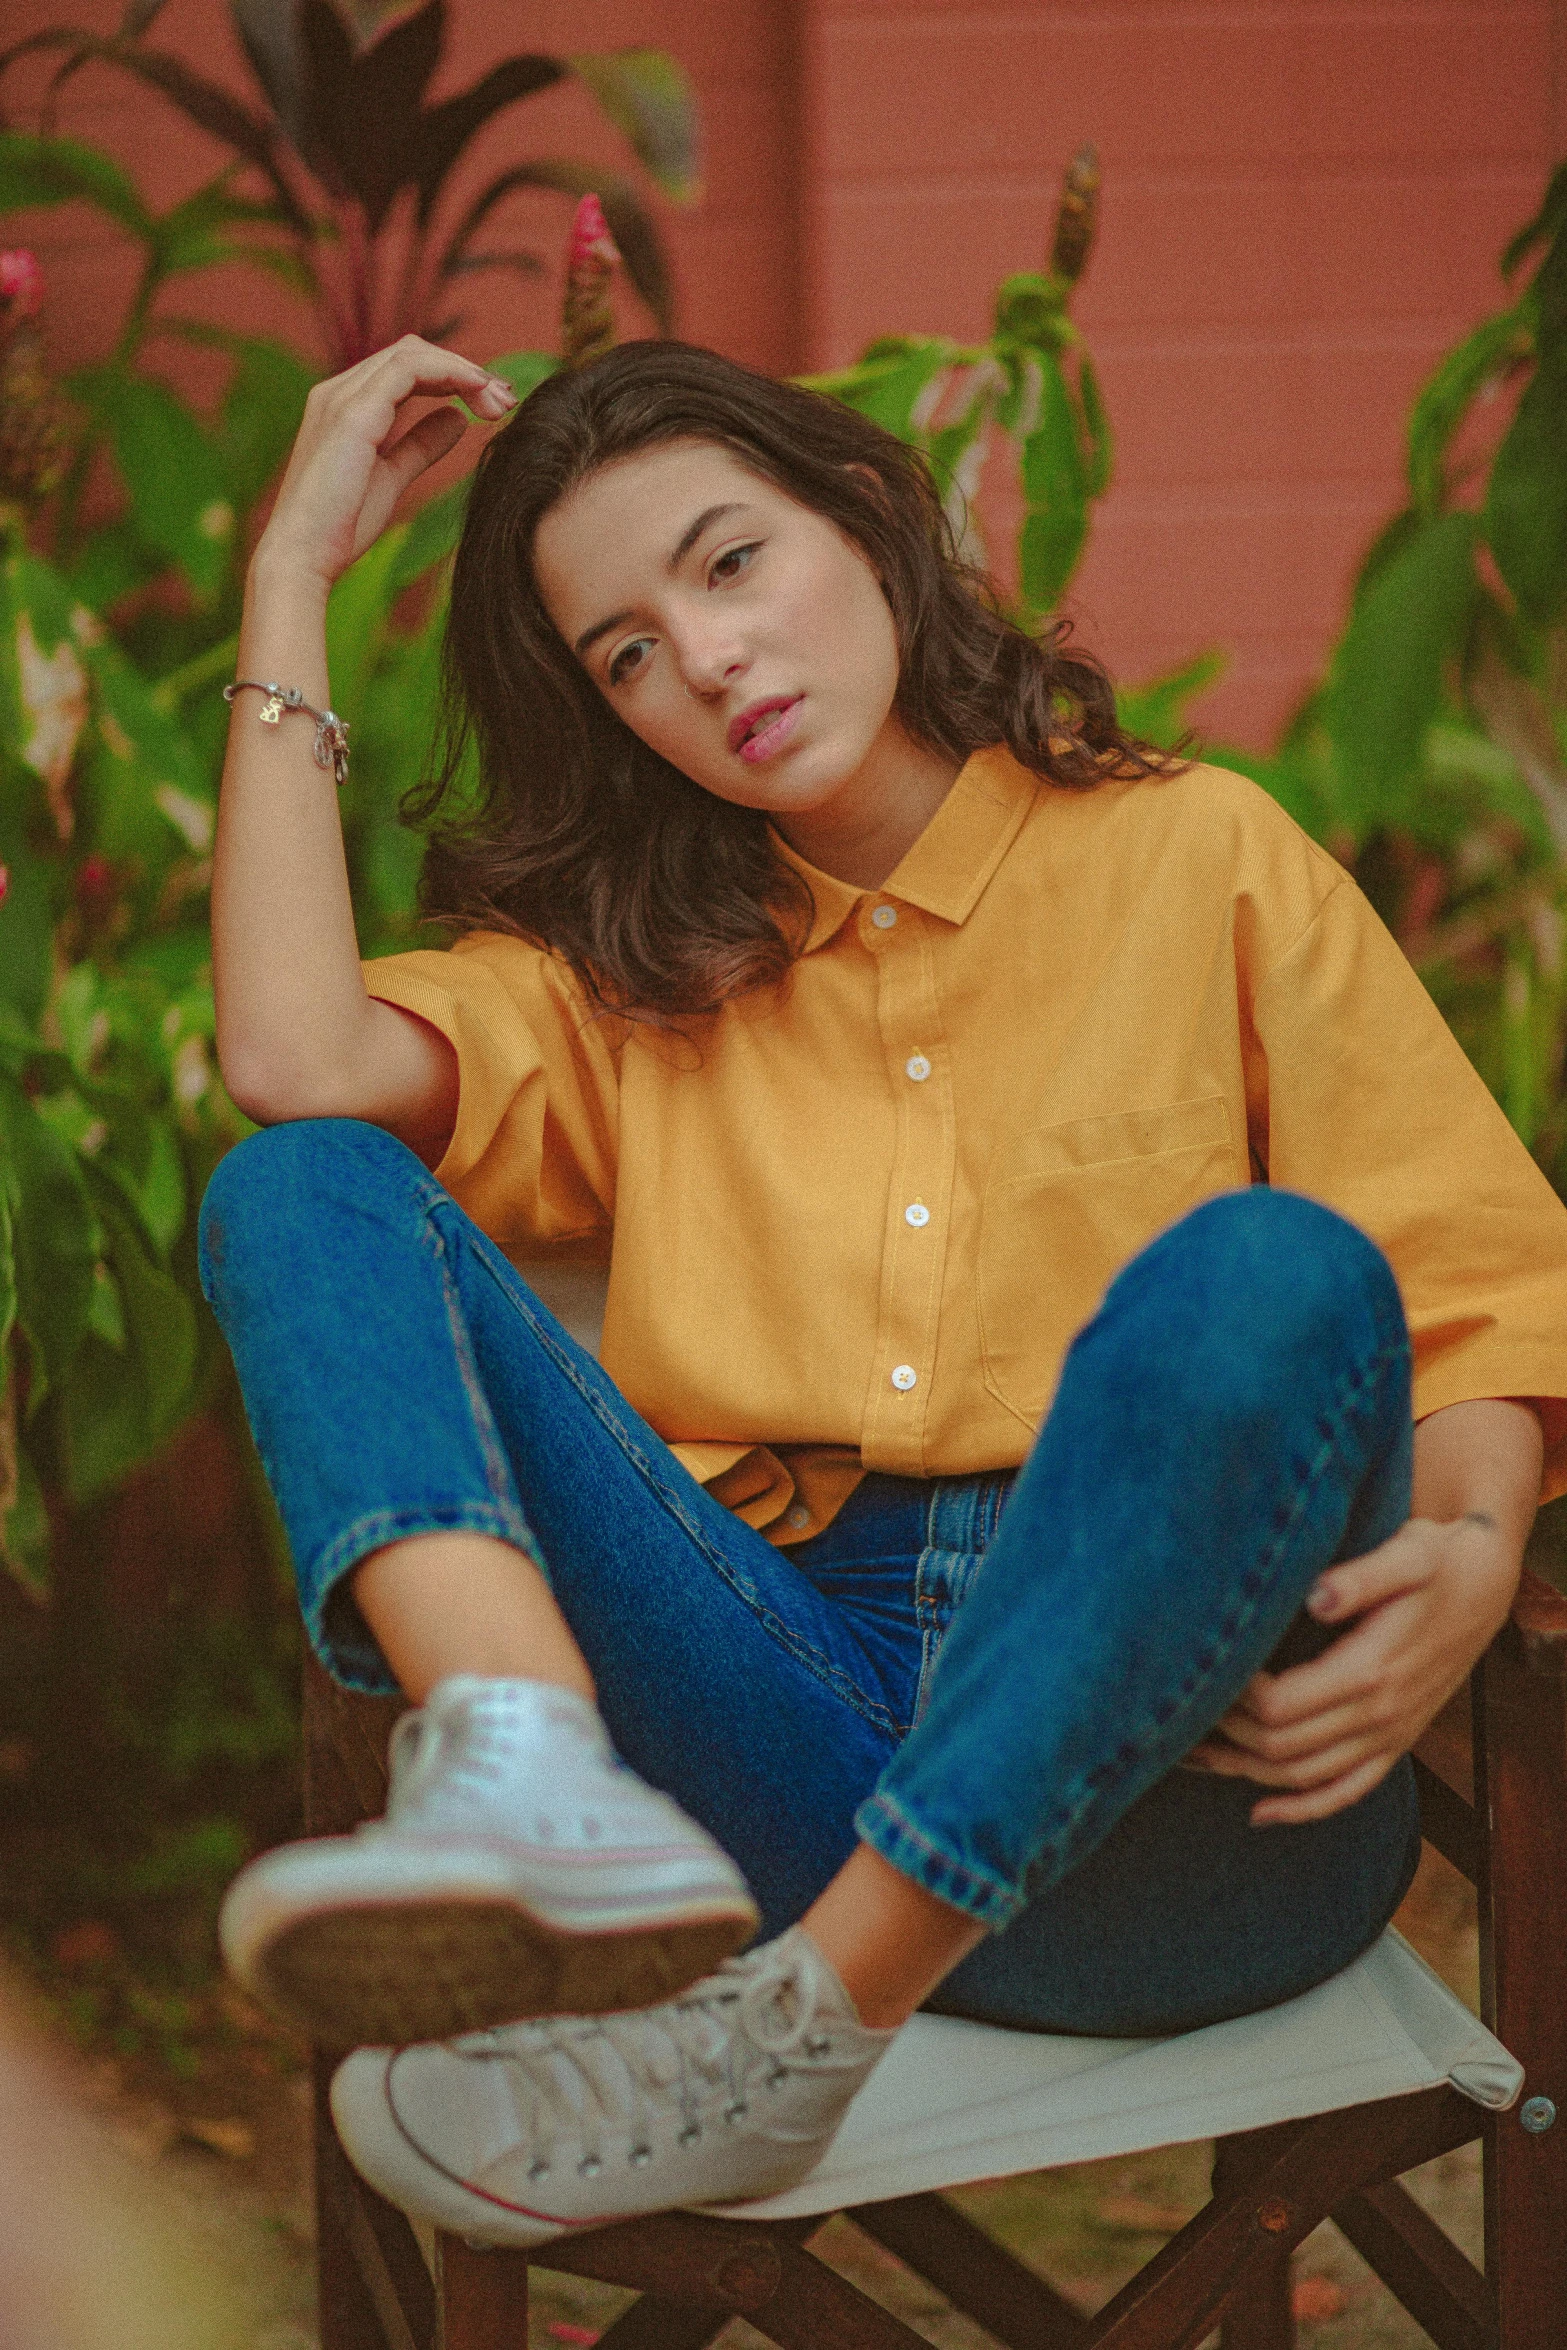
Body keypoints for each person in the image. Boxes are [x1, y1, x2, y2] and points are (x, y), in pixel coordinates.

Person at [200, 334, 1567, 2248]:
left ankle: (793, 2028)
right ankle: (521, 1759)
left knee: (1271, 1268)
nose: (707, 662)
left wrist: (1479, 1531)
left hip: (1187, 1810)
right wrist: (291, 579)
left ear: (862, 517)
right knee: (300, 1181)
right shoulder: (627, 984)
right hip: (786, 1731)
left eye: (728, 562)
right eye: (625, 654)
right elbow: (290, 1057)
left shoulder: (1198, 854)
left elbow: (1461, 1269)